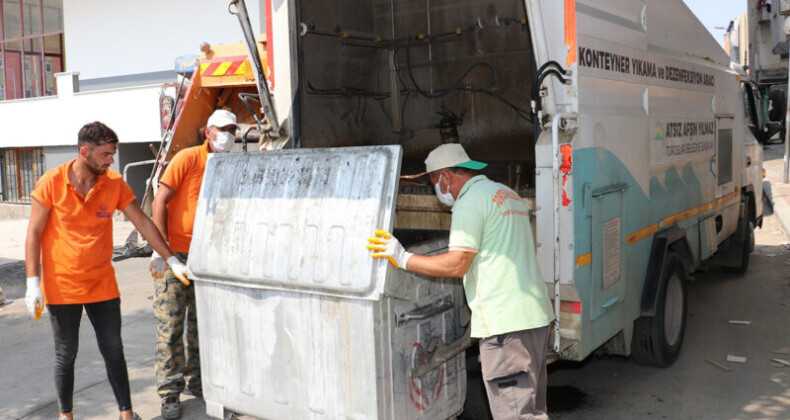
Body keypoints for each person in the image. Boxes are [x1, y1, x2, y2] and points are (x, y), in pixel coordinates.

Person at [367, 143, 555, 419]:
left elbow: (457, 263)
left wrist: (402, 257)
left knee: (517, 415)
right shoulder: (507, 194)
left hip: (505, 325)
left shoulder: (469, 203)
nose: (438, 192)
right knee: (534, 410)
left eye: (435, 184)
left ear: (445, 176)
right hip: (535, 317)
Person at [24, 121, 189, 420]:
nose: (112, 159)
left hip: (102, 284)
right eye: (106, 154)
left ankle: (127, 415)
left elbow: (142, 222)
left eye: (113, 153)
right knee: (66, 354)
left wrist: (171, 258)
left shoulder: (113, 183)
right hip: (62, 285)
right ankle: (66, 416)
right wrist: (32, 282)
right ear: (84, 151)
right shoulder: (51, 182)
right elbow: (34, 233)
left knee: (113, 350)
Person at [148, 108, 238, 419]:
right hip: (176, 254)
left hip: (208, 255)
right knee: (171, 326)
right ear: (208, 132)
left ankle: (201, 383)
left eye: (233, 129)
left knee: (205, 326)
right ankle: (170, 393)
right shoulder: (187, 158)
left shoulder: (228, 165)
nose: (229, 134)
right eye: (223, 128)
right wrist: (163, 252)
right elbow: (159, 201)